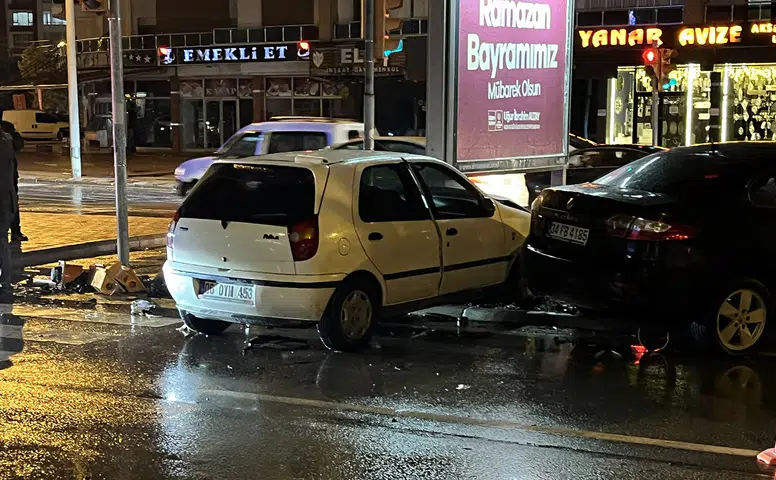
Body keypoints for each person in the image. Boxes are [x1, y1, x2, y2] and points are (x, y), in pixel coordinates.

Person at [0, 128, 18, 295]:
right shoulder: (6, 139)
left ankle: (5, 281)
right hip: (7, 202)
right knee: (2, 244)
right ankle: (5, 281)